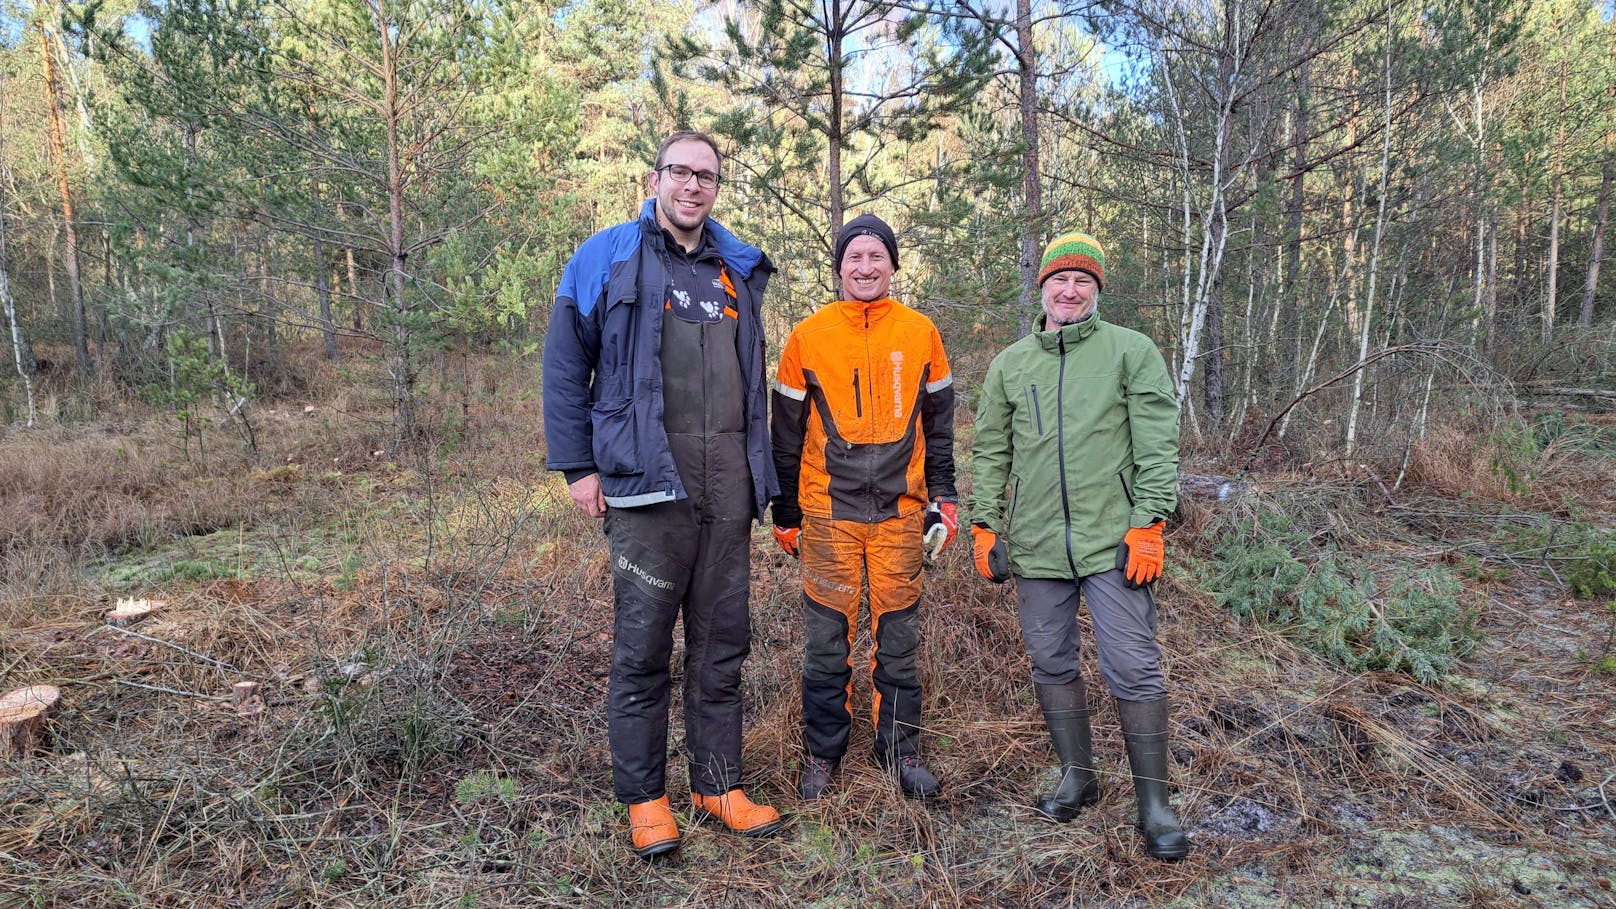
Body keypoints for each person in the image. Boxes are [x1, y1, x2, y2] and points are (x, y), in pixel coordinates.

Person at [542, 131, 782, 860]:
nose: (693, 186)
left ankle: (717, 785)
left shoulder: (735, 267)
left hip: (727, 492)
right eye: (681, 171)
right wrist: (578, 467)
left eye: (707, 176)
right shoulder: (606, 255)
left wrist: (760, 481)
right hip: (647, 491)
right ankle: (646, 798)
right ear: (656, 177)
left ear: (717, 187)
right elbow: (563, 366)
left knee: (722, 648)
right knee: (643, 651)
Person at [968, 231, 1189, 861]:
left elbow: (1156, 445)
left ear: (1096, 291)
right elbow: (990, 451)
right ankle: (1079, 776)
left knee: (1133, 665)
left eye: (1082, 282)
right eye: (1059, 281)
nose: (1069, 291)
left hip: (1112, 542)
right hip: (1036, 544)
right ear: (1041, 288)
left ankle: (1154, 802)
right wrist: (986, 526)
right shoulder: (1011, 364)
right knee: (1050, 660)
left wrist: (1149, 525)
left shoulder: (1131, 352)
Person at [771, 214, 959, 801]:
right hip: (828, 514)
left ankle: (899, 751)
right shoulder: (808, 335)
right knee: (826, 641)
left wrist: (945, 501)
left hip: (902, 515)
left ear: (893, 266)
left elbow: (942, 429)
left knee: (898, 639)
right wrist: (785, 513)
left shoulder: (921, 332)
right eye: (855, 257)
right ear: (840, 268)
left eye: (877, 256)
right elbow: (785, 433)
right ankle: (823, 753)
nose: (866, 267)